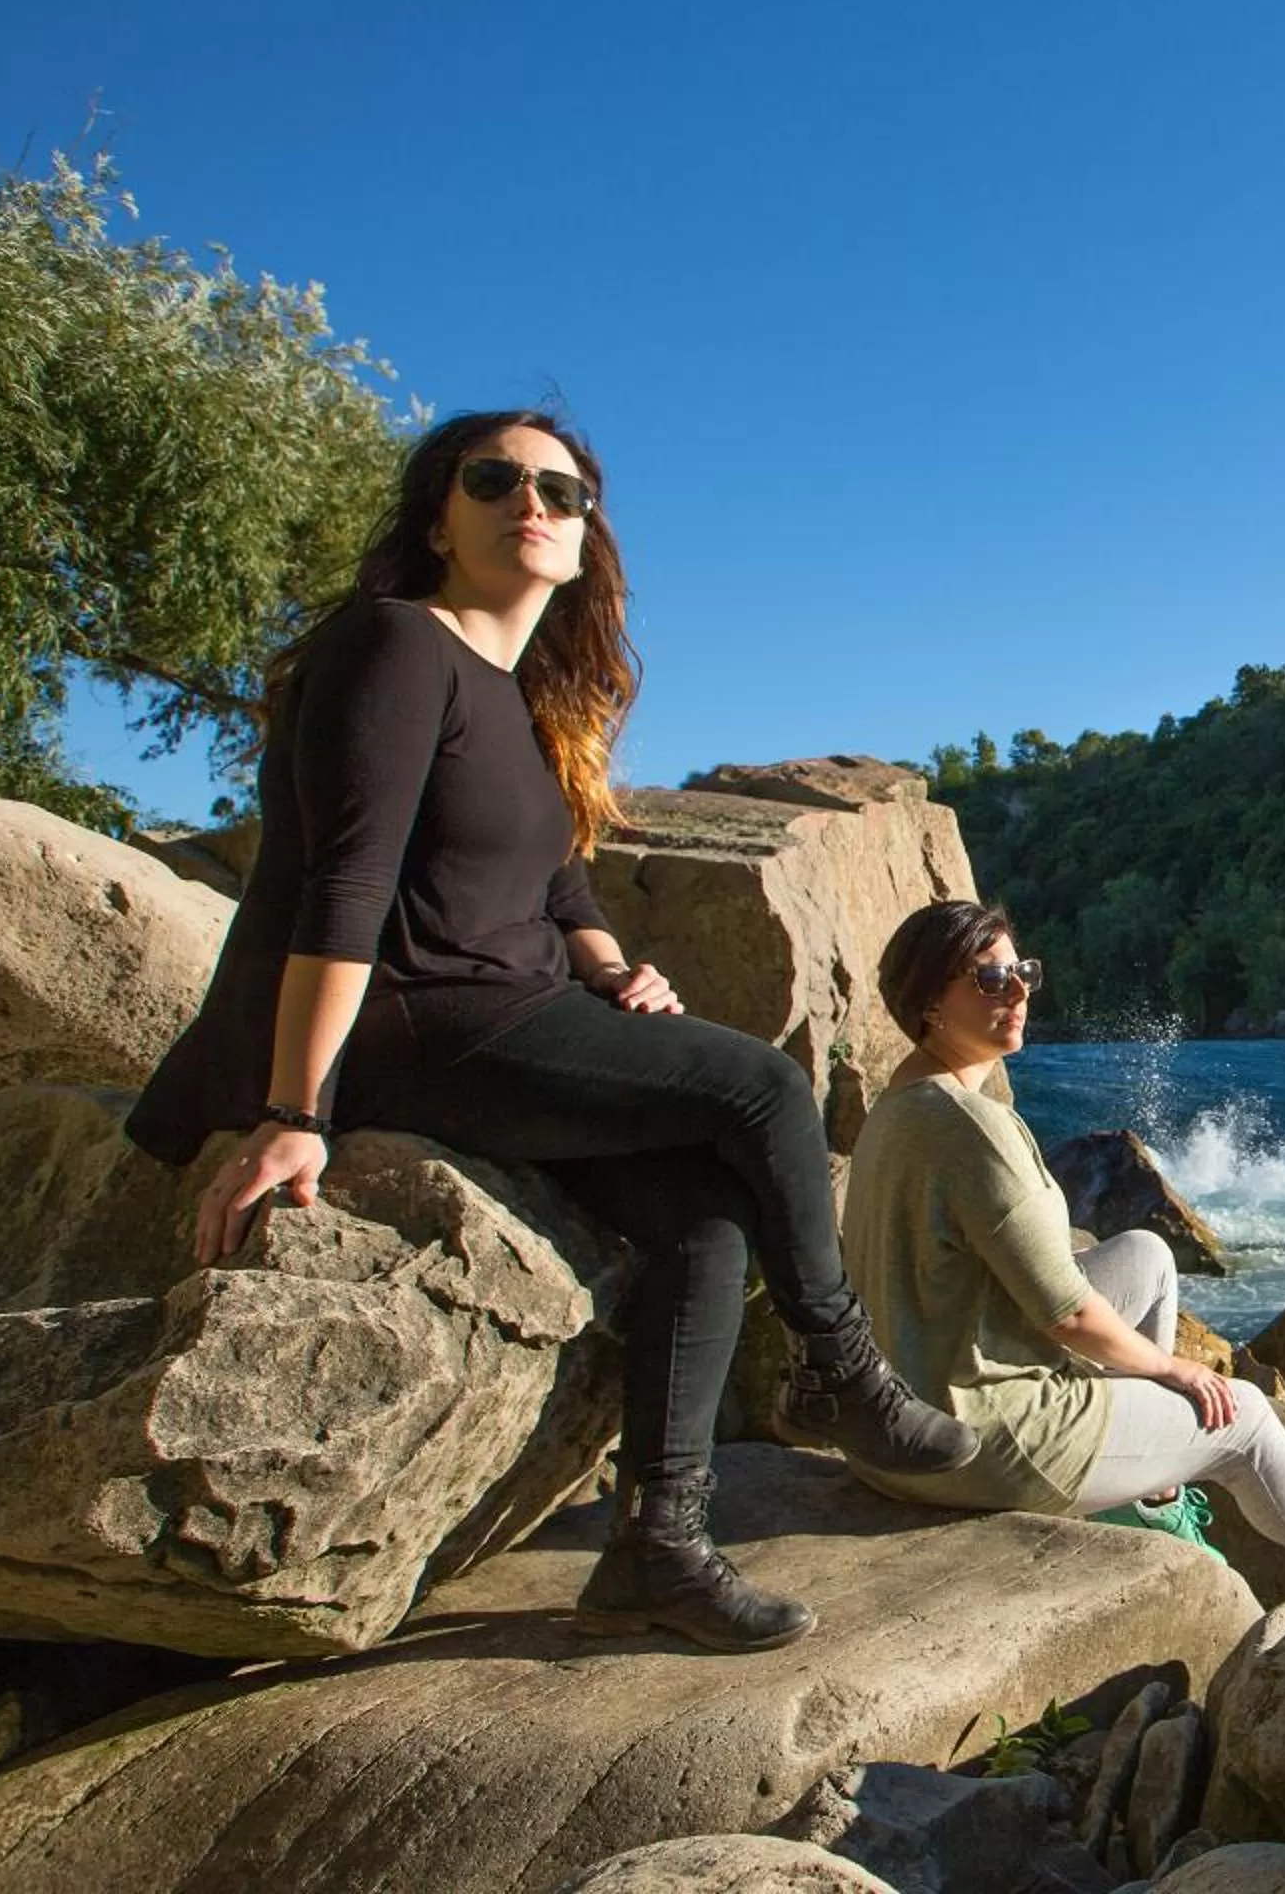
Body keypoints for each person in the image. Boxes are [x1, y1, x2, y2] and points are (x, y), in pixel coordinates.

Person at [128, 408, 979, 1654]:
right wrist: (295, 1111)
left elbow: (548, 877)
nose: (532, 502)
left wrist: (612, 960)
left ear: (586, 541)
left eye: (561, 492)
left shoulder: (511, 699)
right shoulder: (395, 645)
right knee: (761, 1091)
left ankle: (658, 1546)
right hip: (422, 1020)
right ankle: (843, 1372)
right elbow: (346, 883)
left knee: (704, 1213)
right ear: (440, 517)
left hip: (508, 1003)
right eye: (496, 480)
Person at [839, 899, 1285, 1574]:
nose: (1020, 991)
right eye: (990, 979)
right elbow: (1067, 1314)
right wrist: (1175, 1372)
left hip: (897, 1424)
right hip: (974, 1437)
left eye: (1021, 970)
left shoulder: (900, 1104)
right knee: (1244, 1418)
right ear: (929, 1004)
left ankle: (1147, 1494)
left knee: (1146, 1254)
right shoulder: (972, 1128)